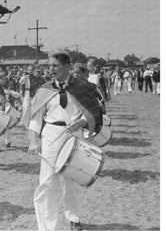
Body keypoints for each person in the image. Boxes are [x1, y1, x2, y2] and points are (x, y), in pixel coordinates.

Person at [28, 52, 103, 231]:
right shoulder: (44, 89)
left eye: (55, 65)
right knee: (47, 181)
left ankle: (73, 217)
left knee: (73, 180)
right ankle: (47, 228)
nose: (51, 69)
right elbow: (35, 119)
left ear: (67, 66)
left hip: (74, 135)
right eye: (49, 66)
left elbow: (94, 113)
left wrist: (82, 122)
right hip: (51, 135)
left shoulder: (81, 87)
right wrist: (33, 140)